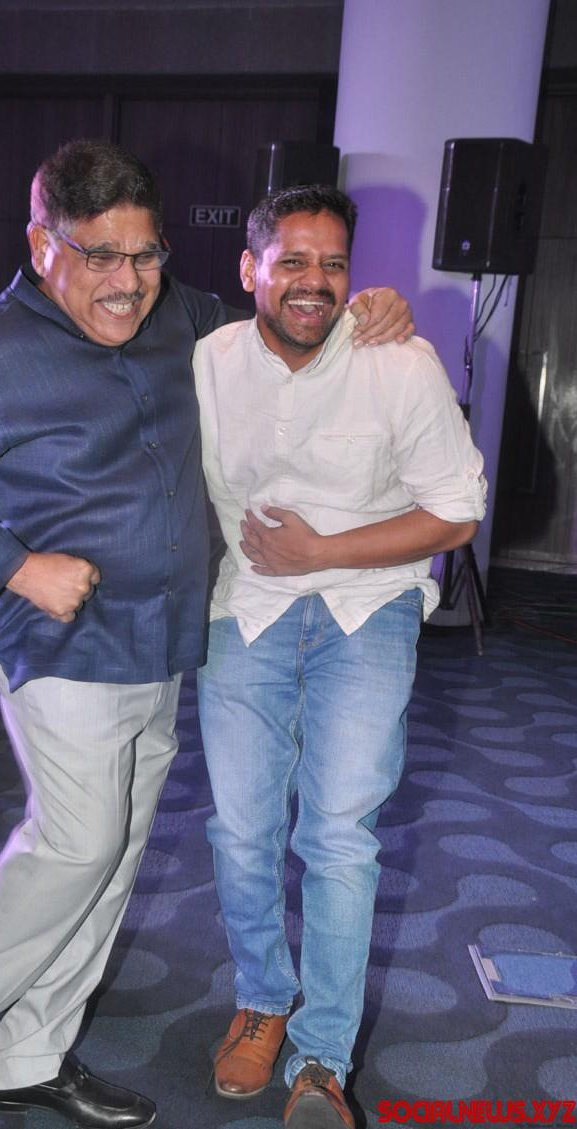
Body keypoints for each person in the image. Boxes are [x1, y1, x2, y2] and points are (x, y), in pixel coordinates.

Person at [0, 140, 412, 1128]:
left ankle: (31, 1056)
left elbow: (278, 330)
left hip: (161, 643)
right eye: (100, 255)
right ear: (42, 245)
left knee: (113, 863)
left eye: (146, 254)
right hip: (61, 640)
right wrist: (14, 565)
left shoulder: (179, 316)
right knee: (80, 841)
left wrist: (362, 312)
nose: (127, 281)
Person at [194, 184, 486, 1129]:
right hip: (246, 612)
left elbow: (457, 511)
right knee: (241, 831)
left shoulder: (398, 360)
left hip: (368, 611)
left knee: (338, 836)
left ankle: (321, 1057)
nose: (313, 281)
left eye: (333, 264)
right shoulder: (207, 361)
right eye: (292, 260)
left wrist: (322, 552)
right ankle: (262, 999)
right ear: (251, 267)